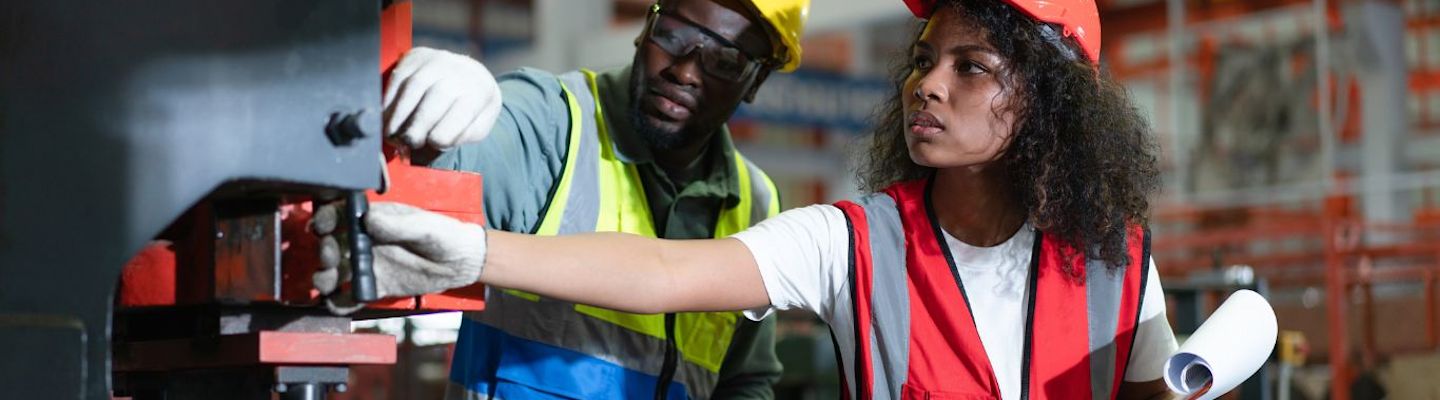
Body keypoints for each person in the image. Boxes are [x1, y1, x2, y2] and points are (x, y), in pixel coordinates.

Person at [315, 0, 1179, 398]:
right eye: (923, 59)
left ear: (1047, 105)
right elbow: (662, 271)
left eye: (970, 68)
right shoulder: (852, 242)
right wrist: (475, 251)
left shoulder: (1119, 265)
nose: (927, 85)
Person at [353, 0, 809, 398]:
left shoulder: (754, 203)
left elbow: (743, 379)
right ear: (644, 28)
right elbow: (430, 183)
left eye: (726, 61)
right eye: (672, 34)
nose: (685, 71)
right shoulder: (554, 124)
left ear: (755, 81)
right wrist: (433, 133)